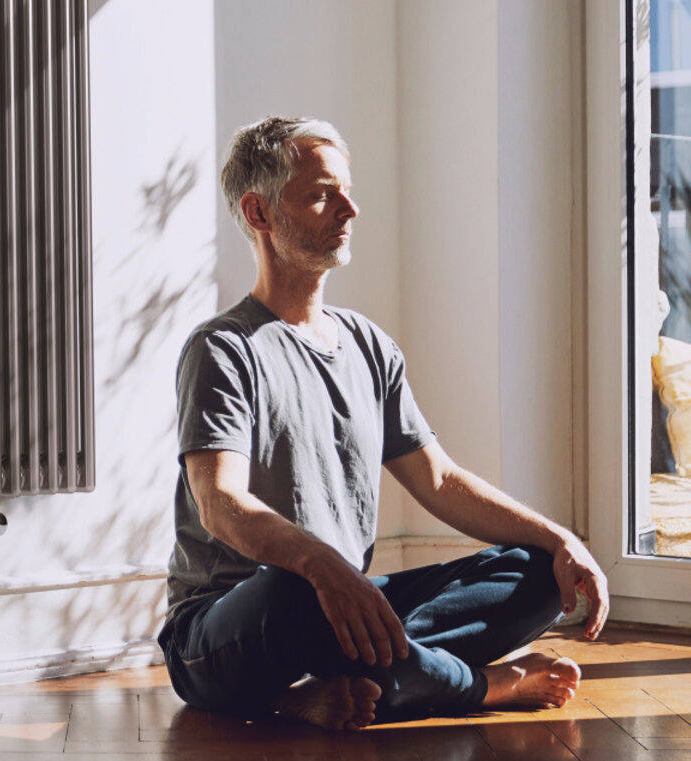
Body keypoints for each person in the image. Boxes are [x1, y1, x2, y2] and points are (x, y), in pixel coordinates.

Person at [159, 116, 609, 730]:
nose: (350, 209)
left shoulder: (367, 344)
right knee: (296, 588)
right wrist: (320, 566)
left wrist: (561, 540)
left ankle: (337, 687)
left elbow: (440, 481)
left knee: (534, 572)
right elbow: (219, 502)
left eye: (345, 190)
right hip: (230, 626)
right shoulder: (224, 348)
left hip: (339, 604)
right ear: (259, 214)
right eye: (322, 194)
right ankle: (470, 687)